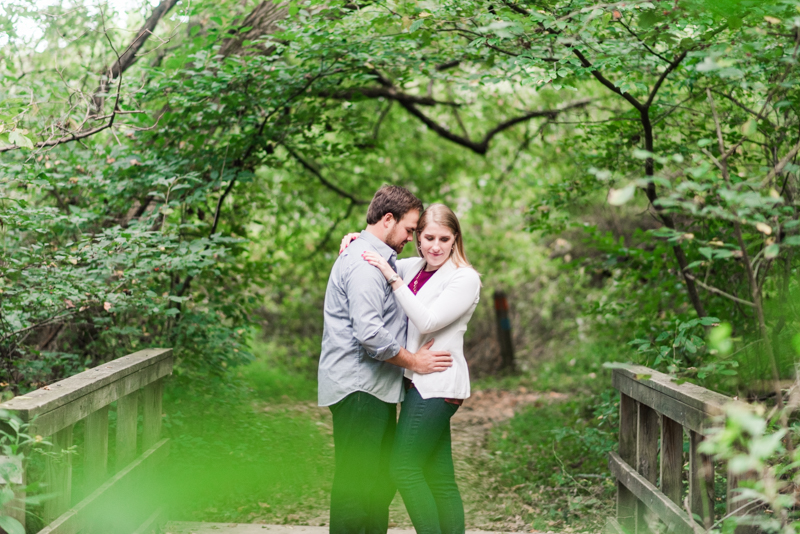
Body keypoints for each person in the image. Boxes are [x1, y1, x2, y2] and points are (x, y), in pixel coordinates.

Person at [318, 185, 454, 534]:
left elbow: (428, 264)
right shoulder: (364, 264)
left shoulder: (379, 258)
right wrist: (415, 362)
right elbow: (370, 334)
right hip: (359, 388)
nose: (411, 237)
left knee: (376, 485)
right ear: (387, 219)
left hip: (371, 389)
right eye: (410, 229)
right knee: (357, 486)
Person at [342, 203, 481, 534]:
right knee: (439, 477)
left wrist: (392, 279)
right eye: (428, 237)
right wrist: (355, 239)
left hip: (438, 384)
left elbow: (428, 319)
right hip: (415, 383)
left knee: (403, 467)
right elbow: (377, 258)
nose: (435, 246)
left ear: (455, 239)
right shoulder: (414, 267)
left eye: (444, 239)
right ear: (418, 238)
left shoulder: (465, 278)